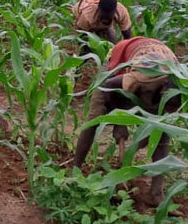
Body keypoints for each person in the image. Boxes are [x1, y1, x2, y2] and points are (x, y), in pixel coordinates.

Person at [73, 36, 181, 207]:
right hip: (116, 68)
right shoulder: (142, 77)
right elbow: (109, 86)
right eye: (166, 106)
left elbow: (165, 117)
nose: (167, 110)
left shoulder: (182, 81)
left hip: (155, 59)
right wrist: (119, 123)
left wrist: (142, 139)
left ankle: (156, 193)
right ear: (163, 90)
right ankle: (75, 172)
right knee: (94, 121)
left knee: (162, 134)